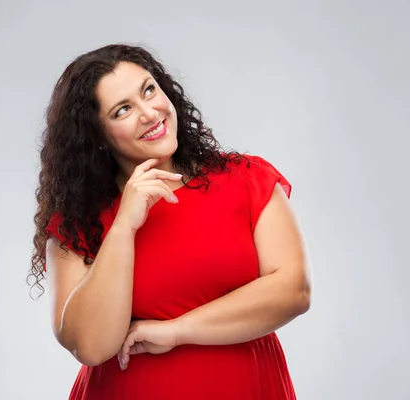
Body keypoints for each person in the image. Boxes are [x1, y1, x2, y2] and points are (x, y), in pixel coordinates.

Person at [28, 43, 311, 400]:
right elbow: (90, 345)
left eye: (149, 90)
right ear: (97, 137)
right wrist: (124, 226)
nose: (149, 113)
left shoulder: (247, 179)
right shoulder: (76, 221)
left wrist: (178, 331)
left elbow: (293, 291)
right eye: (123, 110)